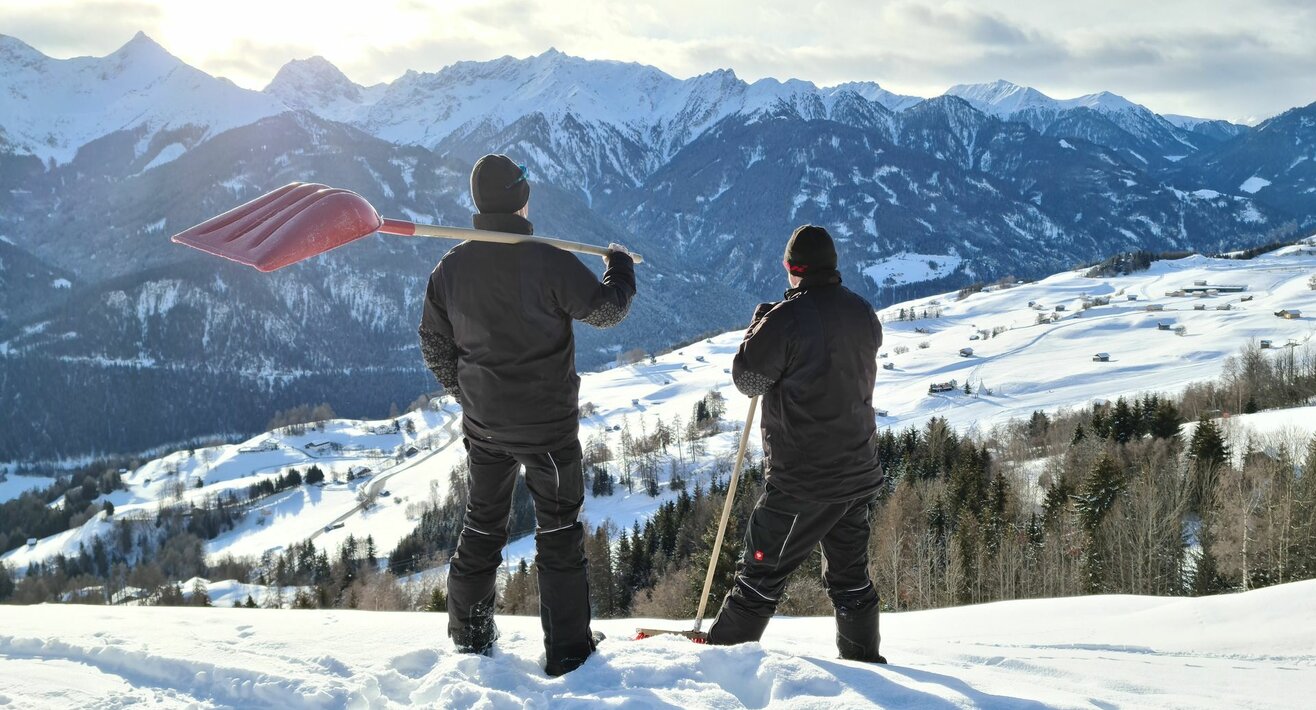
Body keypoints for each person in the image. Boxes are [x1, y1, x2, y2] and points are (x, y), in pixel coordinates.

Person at [418, 154, 636, 676]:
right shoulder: (547, 261)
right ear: (522, 202)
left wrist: (467, 394)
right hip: (548, 432)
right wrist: (621, 267)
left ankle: (469, 642)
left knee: (482, 527)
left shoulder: (450, 268)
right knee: (559, 533)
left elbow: (433, 343)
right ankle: (568, 651)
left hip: (485, 429)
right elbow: (607, 310)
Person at [706, 224, 886, 663]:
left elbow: (748, 379)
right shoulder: (862, 311)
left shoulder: (785, 319)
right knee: (851, 580)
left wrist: (759, 326)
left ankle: (720, 667)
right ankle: (866, 665)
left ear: (793, 268)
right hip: (857, 473)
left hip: (803, 481)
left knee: (759, 576)